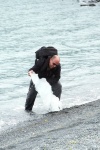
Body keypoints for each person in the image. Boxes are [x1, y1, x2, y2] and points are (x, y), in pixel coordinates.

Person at [25, 46, 62, 112]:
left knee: (58, 86)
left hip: (50, 79)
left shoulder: (57, 66)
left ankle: (55, 106)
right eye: (53, 64)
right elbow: (33, 69)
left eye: (56, 65)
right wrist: (30, 72)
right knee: (31, 93)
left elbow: (57, 77)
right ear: (50, 59)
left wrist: (48, 83)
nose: (54, 66)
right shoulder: (42, 61)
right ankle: (28, 110)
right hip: (39, 78)